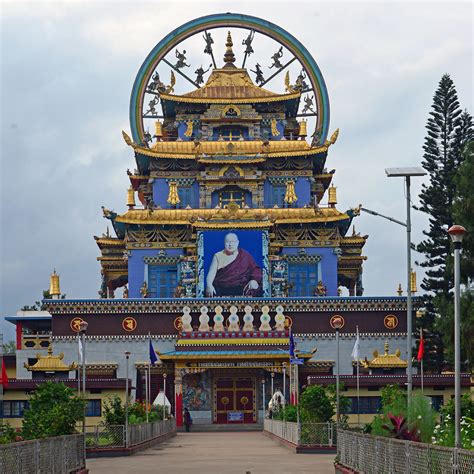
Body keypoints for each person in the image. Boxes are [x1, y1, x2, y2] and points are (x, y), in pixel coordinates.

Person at [206, 232, 262, 297]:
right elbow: (211, 273)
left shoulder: (245, 255)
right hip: (221, 289)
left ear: (237, 242)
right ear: (224, 243)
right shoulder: (218, 256)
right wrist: (209, 285)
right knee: (211, 292)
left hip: (240, 289)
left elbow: (255, 270)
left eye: (233, 241)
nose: (230, 244)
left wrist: (254, 280)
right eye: (228, 242)